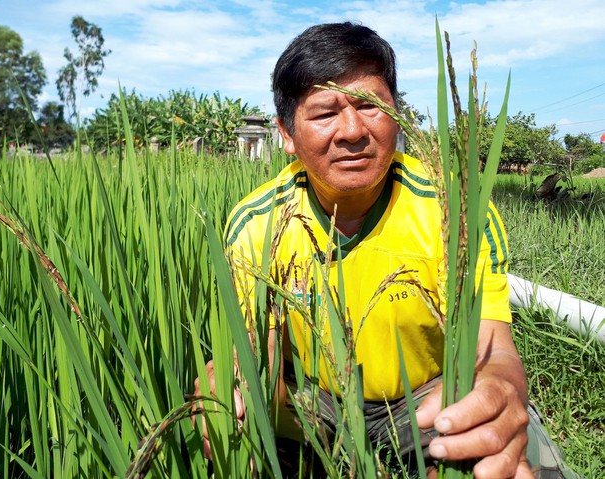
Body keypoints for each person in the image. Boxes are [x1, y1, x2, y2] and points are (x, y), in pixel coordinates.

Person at [194, 22, 578, 479]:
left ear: (396, 113)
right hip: (316, 400)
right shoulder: (257, 224)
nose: (352, 130)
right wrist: (238, 379)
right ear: (286, 135)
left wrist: (497, 390)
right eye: (324, 113)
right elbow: (261, 342)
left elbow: (491, 348)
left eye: (370, 106)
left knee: (510, 457)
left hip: (428, 394)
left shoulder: (453, 210)